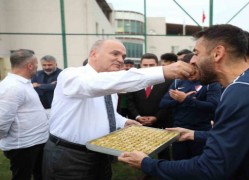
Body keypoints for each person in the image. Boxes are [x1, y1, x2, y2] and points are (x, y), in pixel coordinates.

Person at [118, 24, 249, 180]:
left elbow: (211, 168)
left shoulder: (245, 90)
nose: (193, 61)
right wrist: (194, 134)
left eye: (196, 53)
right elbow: (246, 136)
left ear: (217, 53)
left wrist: (147, 164)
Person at [42, 39, 196, 180]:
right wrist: (161, 71)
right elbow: (94, 84)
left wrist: (124, 121)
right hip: (69, 155)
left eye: (123, 56)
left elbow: (103, 112)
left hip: (101, 152)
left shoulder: (110, 81)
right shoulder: (72, 75)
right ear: (93, 54)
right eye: (115, 53)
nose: (121, 59)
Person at [160, 53, 221, 160]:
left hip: (199, 131)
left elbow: (213, 106)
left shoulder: (211, 83)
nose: (190, 72)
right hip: (178, 130)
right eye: (188, 69)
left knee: (199, 164)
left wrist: (187, 100)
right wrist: (179, 101)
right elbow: (163, 104)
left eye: (194, 68)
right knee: (178, 163)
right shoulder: (177, 82)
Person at [0, 49, 48, 180]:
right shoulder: (12, 87)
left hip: (34, 143)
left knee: (41, 175)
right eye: (37, 65)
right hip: (23, 146)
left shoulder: (24, 84)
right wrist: (10, 140)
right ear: (30, 66)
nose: (37, 68)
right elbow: (2, 122)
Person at [127, 53, 172, 161]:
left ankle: (163, 172)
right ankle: (144, 171)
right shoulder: (132, 81)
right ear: (140, 65)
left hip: (161, 122)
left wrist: (156, 117)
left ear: (157, 65)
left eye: (151, 65)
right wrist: (137, 116)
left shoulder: (168, 81)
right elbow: (130, 101)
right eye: (145, 65)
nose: (148, 68)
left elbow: (169, 102)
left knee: (163, 151)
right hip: (139, 123)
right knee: (141, 151)